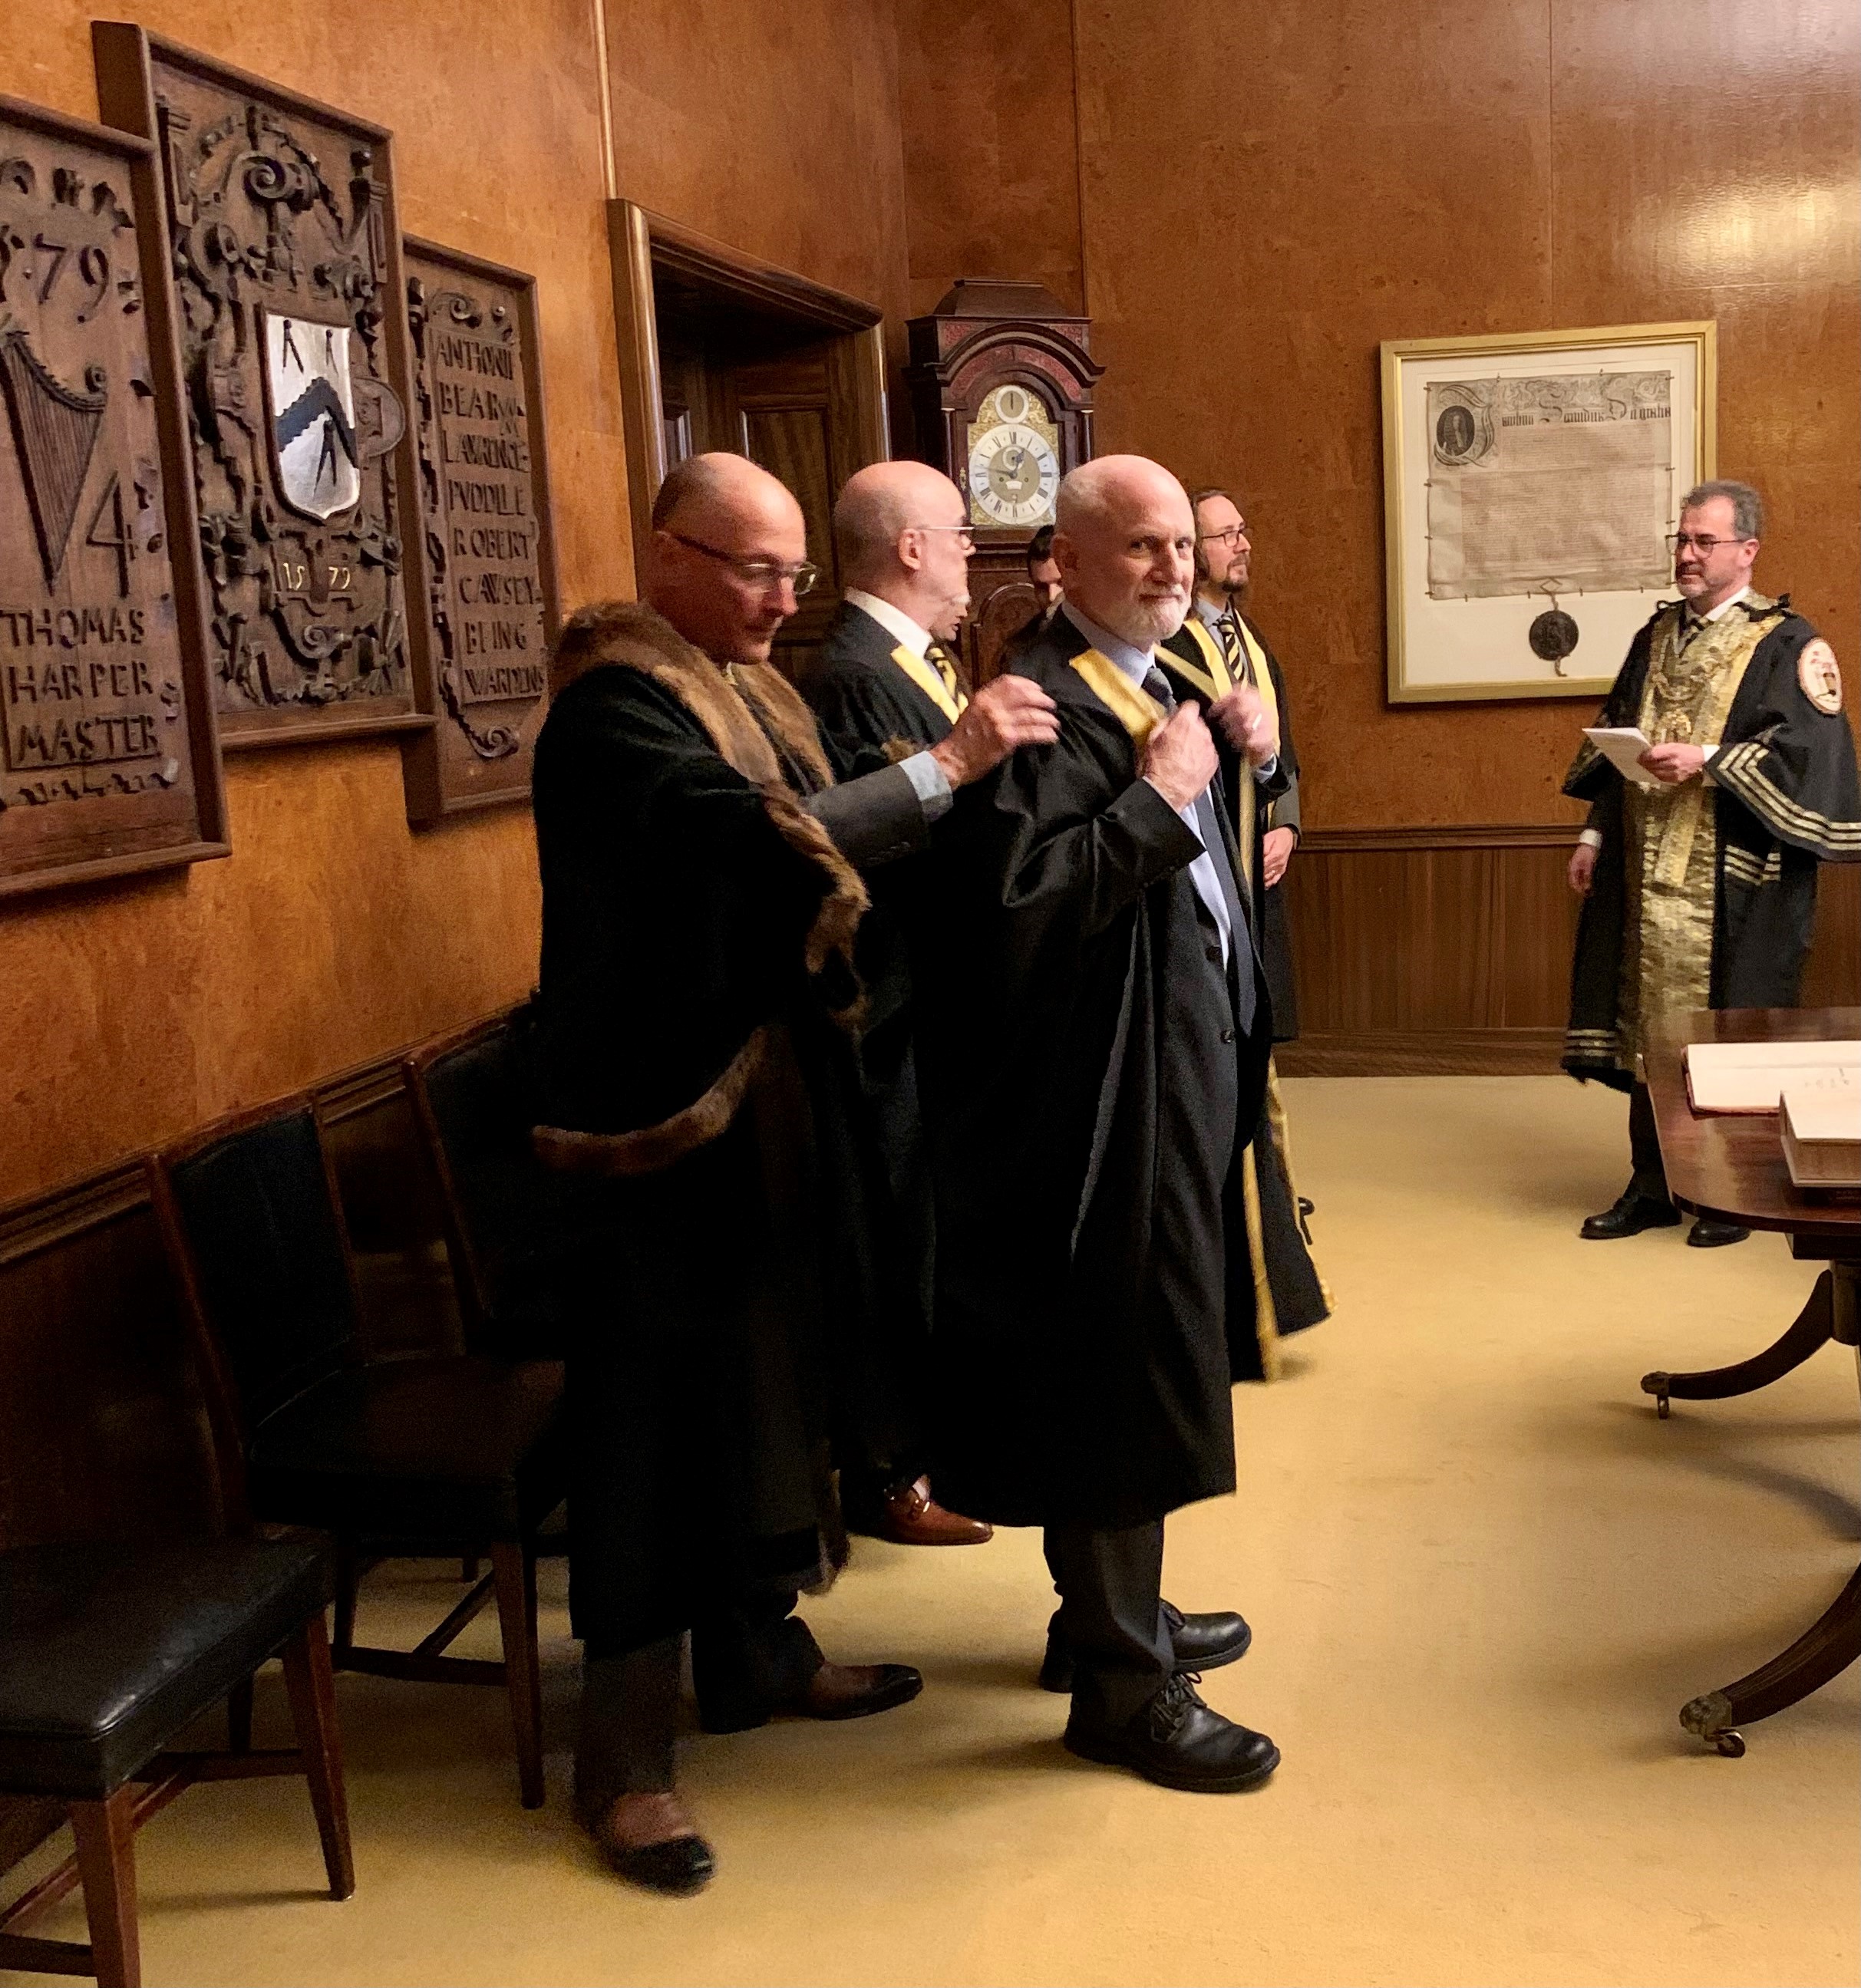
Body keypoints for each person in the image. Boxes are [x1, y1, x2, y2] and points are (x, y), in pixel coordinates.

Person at [530, 452, 1058, 1894]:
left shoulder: (752, 687)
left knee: (769, 1385)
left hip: (759, 1110)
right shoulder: (616, 704)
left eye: (791, 574)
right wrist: (950, 767)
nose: (781, 599)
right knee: (647, 1437)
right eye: (754, 569)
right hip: (649, 1135)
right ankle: (625, 1762)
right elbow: (760, 845)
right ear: (666, 557)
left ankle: (760, 1653)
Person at [912, 454, 1286, 1793]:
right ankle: (1127, 1685)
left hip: (1168, 1070)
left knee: (1154, 1351)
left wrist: (1230, 764)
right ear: (1062, 562)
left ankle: (1104, 1617)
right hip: (1091, 1101)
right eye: (1139, 547)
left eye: (1182, 543)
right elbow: (1022, 909)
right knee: (1119, 1367)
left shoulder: (1151, 680)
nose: (1172, 568)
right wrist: (1163, 792)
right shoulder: (1038, 707)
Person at [1564, 479, 1860, 1245]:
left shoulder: (1788, 643)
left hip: (1735, 876)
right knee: (1647, 1022)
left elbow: (1808, 755)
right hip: (1645, 866)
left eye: (1704, 542)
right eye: (1682, 540)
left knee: (1730, 1029)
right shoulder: (1656, 635)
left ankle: (1730, 1190)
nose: (1687, 555)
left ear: (1747, 551)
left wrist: (1707, 757)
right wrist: (1594, 834)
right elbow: (1617, 735)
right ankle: (1651, 1182)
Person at [802, 460, 993, 1547]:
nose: (972, 549)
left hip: (936, 1004)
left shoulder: (915, 661)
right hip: (888, 1009)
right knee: (892, 1239)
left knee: (926, 1236)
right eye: (959, 533)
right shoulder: (854, 675)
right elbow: (879, 852)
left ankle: (924, 1444)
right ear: (911, 547)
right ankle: (885, 1474)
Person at [1158, 486, 1328, 1377]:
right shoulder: (1172, 650)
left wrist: (1287, 818)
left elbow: (1281, 751)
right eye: (1225, 534)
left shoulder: (1249, 645)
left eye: (1238, 531)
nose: (1240, 545)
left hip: (1255, 887)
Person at [1000, 523, 1064, 659]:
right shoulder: (1019, 651)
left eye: (1061, 583)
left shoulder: (1110, 637)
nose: (1052, 596)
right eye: (1042, 588)